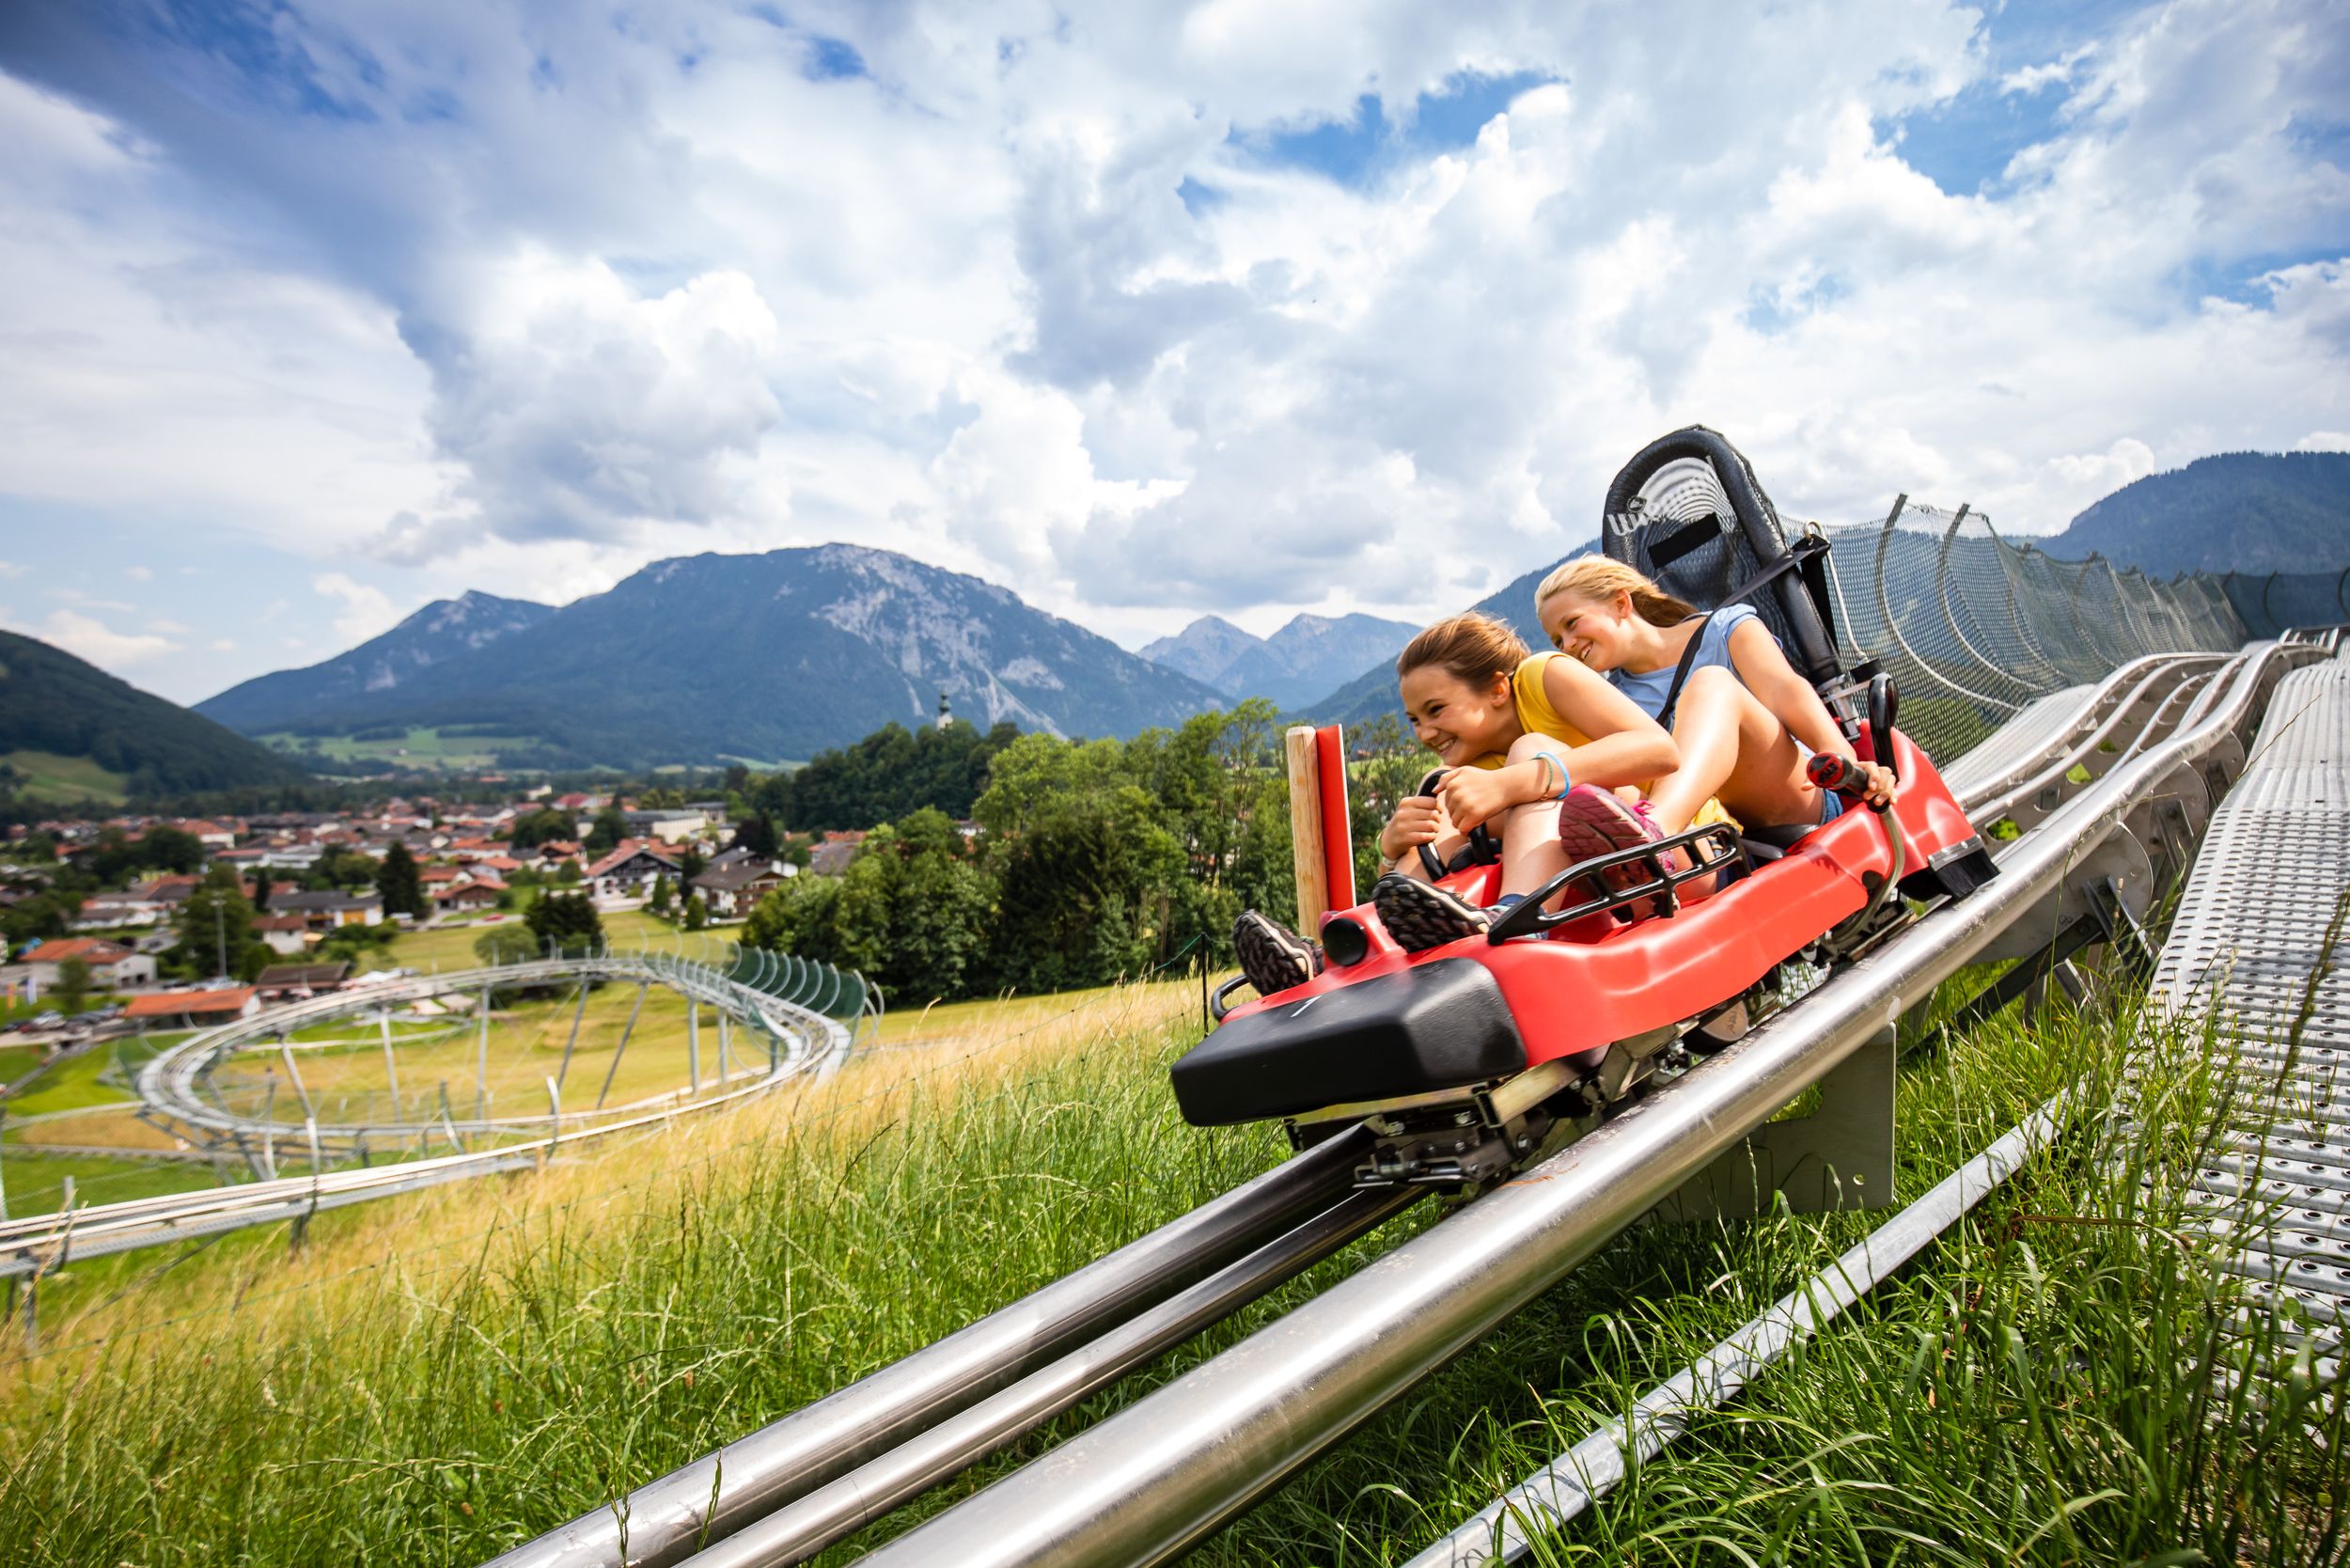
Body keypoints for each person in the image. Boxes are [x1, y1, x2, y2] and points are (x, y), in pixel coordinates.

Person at [1231, 612, 1693, 995]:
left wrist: (1517, 781)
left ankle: (1518, 917)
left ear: (1496, 689)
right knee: (1438, 787)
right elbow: (1412, 887)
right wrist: (1391, 851)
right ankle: (1342, 951)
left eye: (1436, 710)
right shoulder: (1471, 765)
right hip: (1579, 879)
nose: (1424, 733)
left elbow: (1660, 752)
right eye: (1414, 719)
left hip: (1656, 858)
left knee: (1528, 749)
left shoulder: (1543, 677)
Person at [1532, 558, 1896, 839]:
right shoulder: (1613, 699)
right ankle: (1654, 835)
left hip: (1790, 795)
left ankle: (1656, 831)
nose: (1568, 645)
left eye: (1572, 623)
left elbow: (1785, 691)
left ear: (1621, 604)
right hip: (1714, 832)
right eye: (1557, 641)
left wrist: (1845, 760)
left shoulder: (1724, 628)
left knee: (1711, 684)